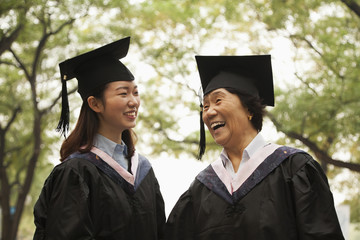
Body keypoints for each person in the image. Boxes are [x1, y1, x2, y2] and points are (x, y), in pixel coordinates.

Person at [164, 55, 344, 240]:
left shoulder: (294, 169)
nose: (209, 112)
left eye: (218, 101)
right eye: (205, 106)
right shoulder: (201, 189)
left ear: (249, 109)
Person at [33, 37, 165, 239]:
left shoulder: (143, 170)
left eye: (135, 93)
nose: (133, 102)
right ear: (95, 104)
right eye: (123, 94)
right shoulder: (76, 171)